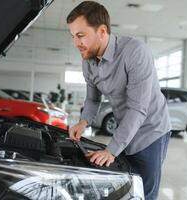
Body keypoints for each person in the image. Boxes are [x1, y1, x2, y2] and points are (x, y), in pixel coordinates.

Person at [67, 1, 171, 200]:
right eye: (73, 36)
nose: (76, 43)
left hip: (151, 131)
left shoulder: (135, 52)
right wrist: (83, 121)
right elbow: (92, 98)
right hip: (126, 129)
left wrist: (111, 150)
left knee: (144, 192)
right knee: (126, 188)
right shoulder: (88, 61)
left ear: (102, 31)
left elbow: (138, 109)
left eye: (80, 35)